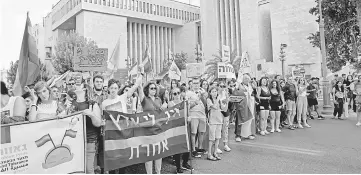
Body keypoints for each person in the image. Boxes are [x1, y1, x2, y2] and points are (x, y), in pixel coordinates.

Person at [138, 81, 166, 174]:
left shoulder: (158, 99)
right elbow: (139, 89)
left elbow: (161, 114)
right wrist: (140, 75)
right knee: (149, 154)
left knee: (158, 153)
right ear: (147, 89)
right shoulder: (144, 99)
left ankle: (158, 172)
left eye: (155, 88)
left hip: (158, 130)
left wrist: (163, 108)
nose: (153, 90)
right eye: (151, 88)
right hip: (148, 130)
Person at [169, 87, 193, 173]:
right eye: (174, 93)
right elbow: (171, 115)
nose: (177, 95)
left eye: (178, 93)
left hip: (184, 126)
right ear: (172, 95)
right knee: (177, 147)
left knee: (187, 145)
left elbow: (188, 113)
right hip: (176, 127)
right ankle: (178, 166)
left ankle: (185, 162)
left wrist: (189, 117)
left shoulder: (185, 103)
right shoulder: (171, 103)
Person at [185, 78, 207, 158]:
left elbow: (206, 102)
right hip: (193, 115)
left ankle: (199, 147)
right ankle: (193, 149)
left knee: (201, 132)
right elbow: (187, 106)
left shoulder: (203, 92)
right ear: (191, 84)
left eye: (197, 83)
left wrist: (202, 95)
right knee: (193, 133)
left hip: (202, 115)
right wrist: (195, 103)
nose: (196, 85)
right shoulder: (188, 93)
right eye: (194, 83)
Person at [232, 74, 256, 141]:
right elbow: (234, 96)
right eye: (245, 78)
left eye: (248, 79)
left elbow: (254, 94)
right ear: (242, 79)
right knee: (240, 120)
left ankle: (249, 134)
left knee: (249, 120)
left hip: (250, 105)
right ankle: (238, 135)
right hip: (242, 106)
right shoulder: (239, 86)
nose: (247, 80)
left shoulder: (251, 86)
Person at [206, 86, 226, 161]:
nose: (215, 93)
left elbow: (223, 109)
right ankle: (209, 154)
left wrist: (225, 101)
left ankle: (215, 152)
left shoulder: (219, 100)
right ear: (210, 93)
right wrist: (218, 99)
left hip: (219, 120)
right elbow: (214, 107)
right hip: (212, 121)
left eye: (215, 91)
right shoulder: (209, 100)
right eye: (213, 91)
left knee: (218, 137)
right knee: (212, 138)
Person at [218, 81, 231, 152]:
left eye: (224, 86)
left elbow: (227, 105)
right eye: (221, 86)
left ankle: (225, 144)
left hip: (225, 112)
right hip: (218, 113)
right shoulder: (216, 94)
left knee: (225, 129)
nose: (222, 88)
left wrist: (227, 98)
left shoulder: (226, 94)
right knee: (218, 129)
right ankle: (216, 146)